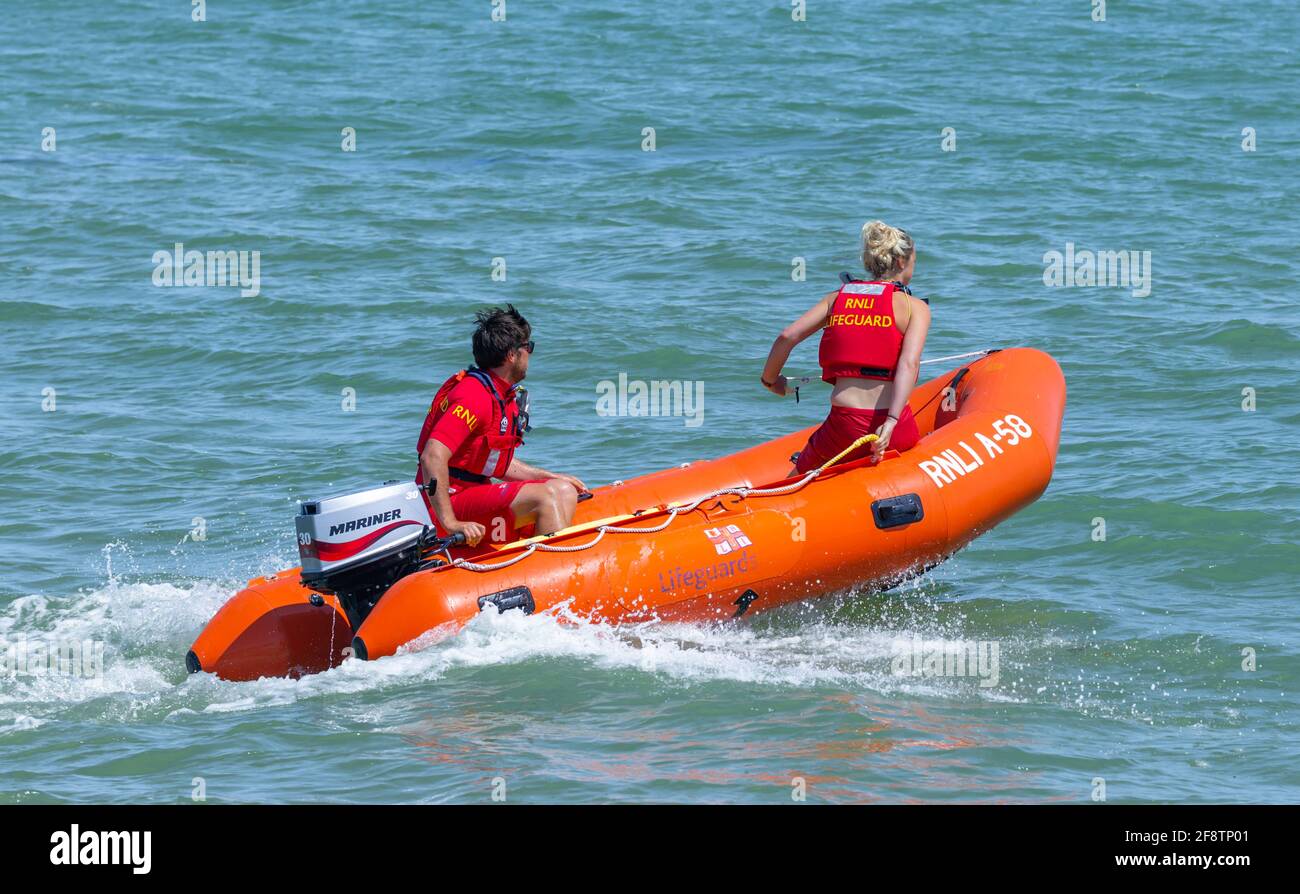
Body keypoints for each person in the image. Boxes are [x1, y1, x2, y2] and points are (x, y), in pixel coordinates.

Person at [760, 220, 931, 472]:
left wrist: (770, 381)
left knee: (795, 480)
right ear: (902, 262)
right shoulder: (914, 307)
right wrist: (892, 421)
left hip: (844, 427)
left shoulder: (836, 299)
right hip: (894, 428)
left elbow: (787, 337)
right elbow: (909, 363)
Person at [416, 305, 586, 546]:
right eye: (528, 347)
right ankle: (553, 578)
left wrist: (547, 476)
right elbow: (432, 456)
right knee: (548, 496)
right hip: (445, 506)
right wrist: (451, 522)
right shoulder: (474, 396)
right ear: (511, 355)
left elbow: (491, 461)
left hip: (472, 493)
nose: (530, 354)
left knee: (562, 489)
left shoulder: (500, 394)